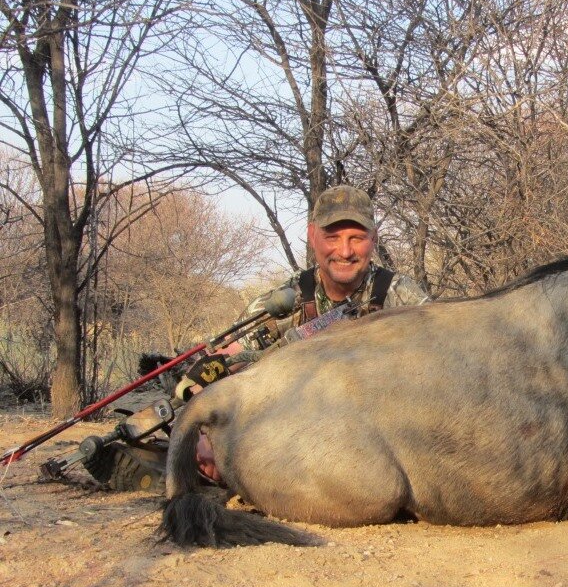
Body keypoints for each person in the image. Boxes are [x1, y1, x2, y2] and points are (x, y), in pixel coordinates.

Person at [83, 185, 429, 490]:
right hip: (305, 423)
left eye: (356, 237)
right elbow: (225, 364)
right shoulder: (285, 299)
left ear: (374, 239)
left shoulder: (401, 296)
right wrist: (206, 435)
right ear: (312, 237)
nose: (345, 250)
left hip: (383, 428)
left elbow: (437, 367)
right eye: (332, 237)